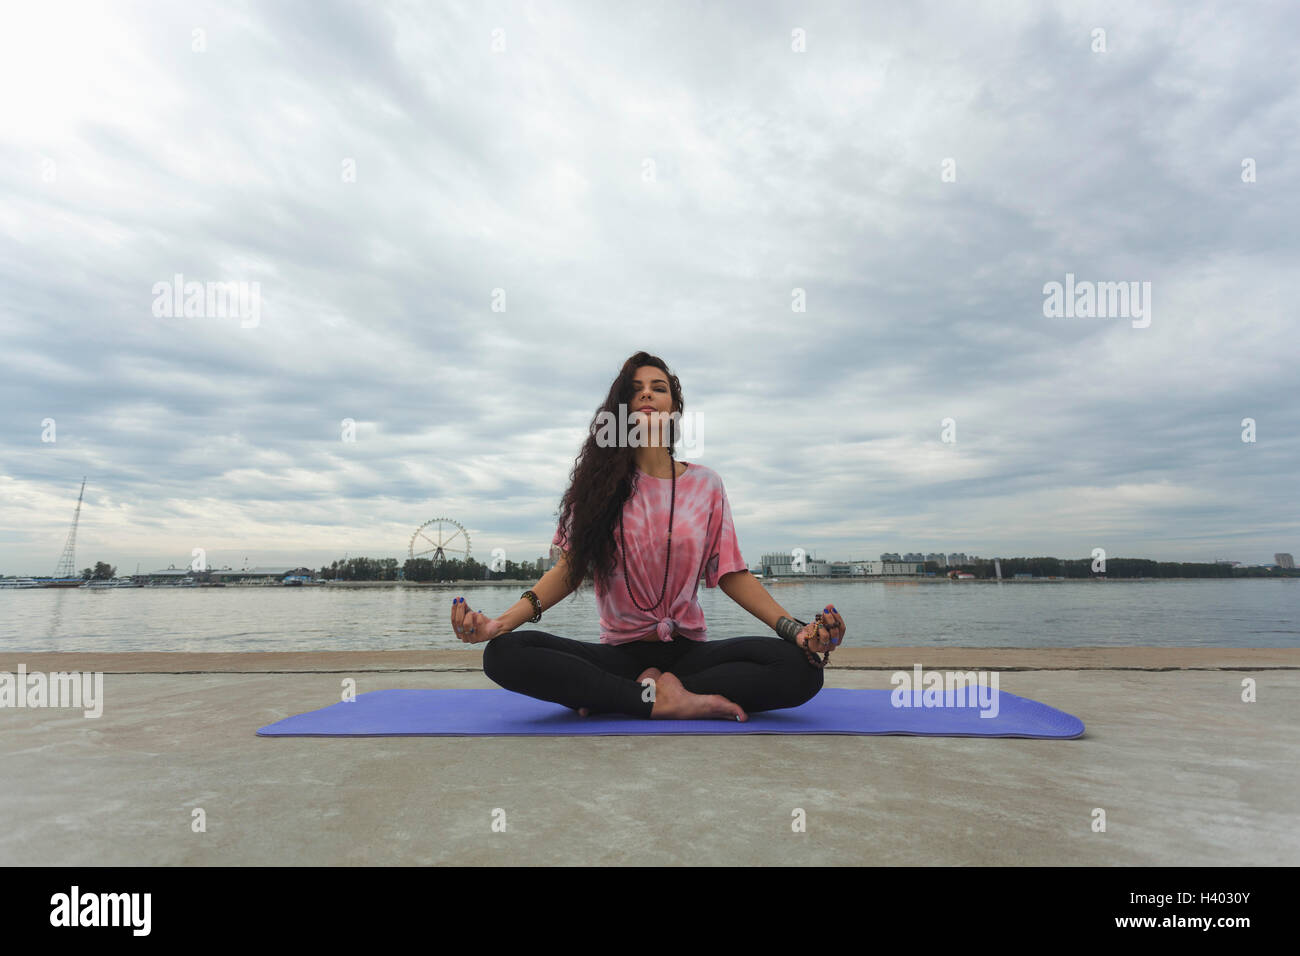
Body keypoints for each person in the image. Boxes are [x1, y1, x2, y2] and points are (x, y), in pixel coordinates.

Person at [451, 351, 847, 721]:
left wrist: (798, 632)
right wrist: (499, 625)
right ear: (621, 410)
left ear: (674, 408)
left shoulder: (706, 485)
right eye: (635, 389)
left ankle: (628, 696)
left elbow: (731, 573)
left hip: (690, 653)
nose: (647, 394)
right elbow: (569, 571)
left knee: (803, 670)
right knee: (505, 654)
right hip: (619, 654)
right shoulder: (595, 489)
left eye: (659, 388)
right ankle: (660, 699)